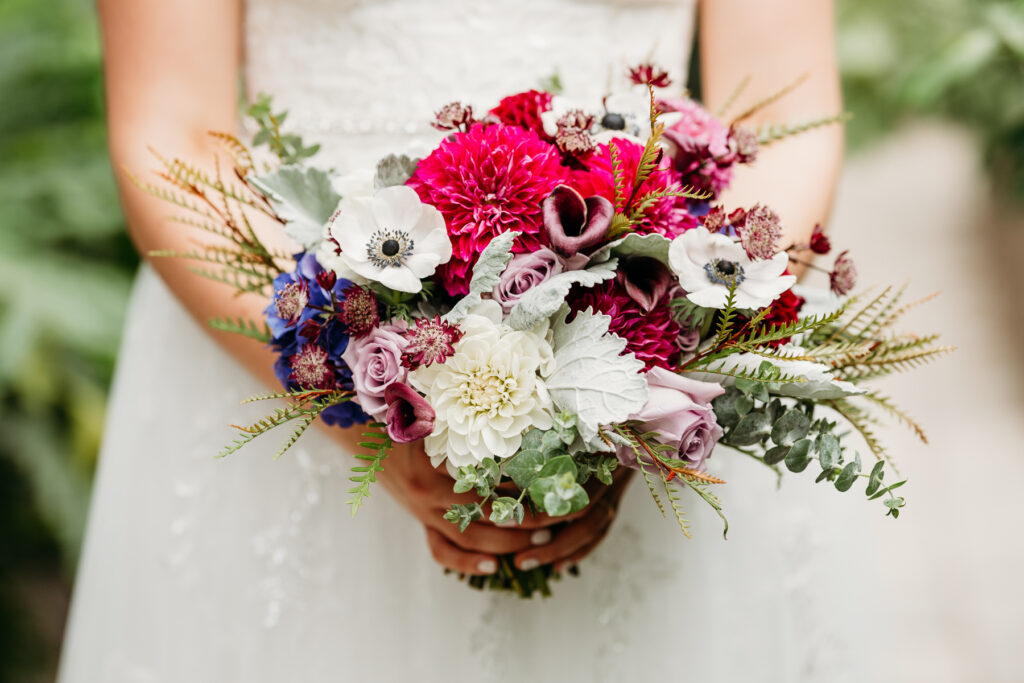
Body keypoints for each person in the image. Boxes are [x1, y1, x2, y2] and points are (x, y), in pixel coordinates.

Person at [60, 1, 852, 680]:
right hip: (288, 351)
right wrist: (369, 396)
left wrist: (640, 385)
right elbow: (169, 142)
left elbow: (783, 125)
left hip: (649, 337)